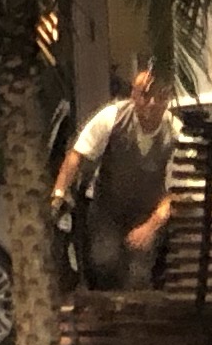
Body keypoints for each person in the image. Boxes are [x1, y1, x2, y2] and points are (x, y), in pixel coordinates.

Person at [53, 71, 179, 293]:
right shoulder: (111, 117)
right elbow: (77, 155)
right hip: (107, 209)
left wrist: (150, 227)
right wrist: (59, 193)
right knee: (104, 261)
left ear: (167, 100)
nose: (151, 103)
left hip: (147, 212)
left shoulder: (175, 132)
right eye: (145, 95)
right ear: (133, 96)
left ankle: (135, 312)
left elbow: (176, 191)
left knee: (139, 272)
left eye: (159, 96)